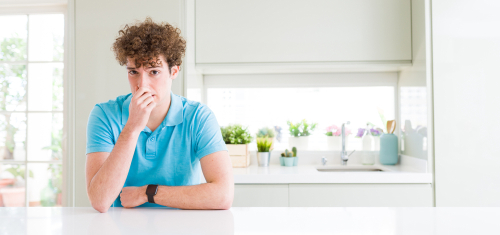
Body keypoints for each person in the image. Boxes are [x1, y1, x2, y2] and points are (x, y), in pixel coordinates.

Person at [85, 17, 233, 213]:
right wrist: (132, 128)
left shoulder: (198, 117)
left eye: (153, 72)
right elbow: (99, 200)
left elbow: (223, 195)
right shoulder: (104, 115)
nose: (142, 84)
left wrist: (147, 193)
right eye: (133, 72)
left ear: (174, 71)